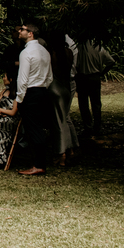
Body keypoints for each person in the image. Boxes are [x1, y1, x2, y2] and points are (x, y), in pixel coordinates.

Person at [14, 24, 54, 176]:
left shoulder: (26, 53)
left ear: (30, 34)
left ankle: (38, 164)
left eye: (22, 29)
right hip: (42, 91)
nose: (19, 31)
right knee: (39, 128)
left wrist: (19, 98)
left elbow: (22, 79)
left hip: (30, 92)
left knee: (33, 129)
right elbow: (50, 76)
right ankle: (40, 163)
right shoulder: (44, 51)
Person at [46, 32, 80, 165]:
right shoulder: (68, 52)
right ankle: (70, 148)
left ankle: (61, 153)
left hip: (55, 86)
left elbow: (52, 72)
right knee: (65, 118)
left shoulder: (52, 54)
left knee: (58, 121)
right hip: (67, 86)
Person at [74, 37, 115, 138]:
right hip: (95, 77)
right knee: (96, 104)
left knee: (84, 104)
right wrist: (102, 72)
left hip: (83, 78)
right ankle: (97, 127)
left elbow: (75, 64)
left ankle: (88, 127)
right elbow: (111, 61)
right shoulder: (99, 48)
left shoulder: (79, 47)